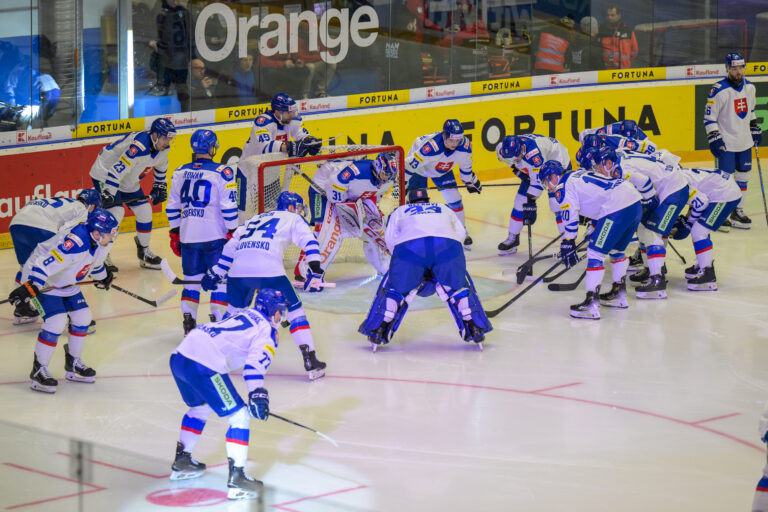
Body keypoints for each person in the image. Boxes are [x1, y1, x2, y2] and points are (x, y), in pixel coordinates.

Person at [168, 289, 288, 500]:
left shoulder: (243, 313)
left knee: (200, 408)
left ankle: (182, 462)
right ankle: (238, 480)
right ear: (271, 312)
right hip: (204, 365)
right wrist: (256, 394)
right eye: (279, 313)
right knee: (240, 416)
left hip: (180, 356)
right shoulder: (267, 331)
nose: (281, 317)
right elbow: (253, 368)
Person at [202, 191, 327, 380]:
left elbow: (230, 247)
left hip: (238, 271)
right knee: (296, 313)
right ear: (292, 207)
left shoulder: (255, 218)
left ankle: (219, 355)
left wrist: (217, 272)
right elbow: (309, 240)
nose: (300, 211)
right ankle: (310, 359)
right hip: (269, 269)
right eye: (299, 208)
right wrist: (316, 268)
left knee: (234, 313)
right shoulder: (293, 218)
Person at [359, 188, 491, 349]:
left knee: (393, 285)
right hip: (447, 246)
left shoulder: (400, 210)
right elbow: (461, 234)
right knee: (459, 284)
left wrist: (407, 262)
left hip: (411, 248)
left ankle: (379, 330)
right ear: (428, 201)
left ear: (409, 202)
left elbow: (390, 239)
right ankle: (475, 327)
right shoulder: (443, 207)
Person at [8, 208, 118, 393]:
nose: (113, 236)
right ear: (97, 232)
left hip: (66, 281)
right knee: (55, 321)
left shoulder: (101, 241)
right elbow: (46, 262)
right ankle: (39, 369)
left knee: (83, 317)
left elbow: (94, 263)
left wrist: (103, 275)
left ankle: (73, 363)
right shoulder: (75, 242)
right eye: (110, 233)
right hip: (45, 280)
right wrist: (32, 285)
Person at [541, 156, 642, 319]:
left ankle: (591, 303)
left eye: (546, 182)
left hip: (616, 208)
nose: (548, 187)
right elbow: (597, 197)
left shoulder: (562, 186)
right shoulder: (577, 174)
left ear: (553, 176)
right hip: (634, 202)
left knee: (595, 253)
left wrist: (568, 241)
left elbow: (570, 215)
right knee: (617, 251)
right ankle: (619, 294)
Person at [166, 129, 238, 334]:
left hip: (189, 236)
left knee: (191, 282)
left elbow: (172, 207)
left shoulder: (180, 171)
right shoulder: (223, 172)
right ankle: (217, 323)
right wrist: (233, 232)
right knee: (220, 280)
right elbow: (229, 207)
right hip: (215, 237)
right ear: (212, 147)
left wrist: (175, 233)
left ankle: (189, 324)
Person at [596, 147, 689, 299]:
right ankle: (650, 269)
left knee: (652, 231)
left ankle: (657, 279)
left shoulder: (621, 168)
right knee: (643, 228)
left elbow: (645, 183)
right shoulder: (617, 162)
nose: (598, 170)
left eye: (600, 166)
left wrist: (647, 204)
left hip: (674, 190)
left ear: (608, 163)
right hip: (667, 187)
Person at [89, 117, 176, 271]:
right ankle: (100, 256)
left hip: (127, 177)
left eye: (169, 139)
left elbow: (162, 165)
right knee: (116, 211)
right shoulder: (138, 147)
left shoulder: (163, 148)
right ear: (154, 135)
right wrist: (109, 192)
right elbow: (116, 170)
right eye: (164, 138)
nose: (167, 143)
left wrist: (160, 185)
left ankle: (144, 252)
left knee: (144, 210)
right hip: (106, 172)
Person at [295, 153, 397, 279]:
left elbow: (373, 194)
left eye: (390, 176)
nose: (387, 179)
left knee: (373, 229)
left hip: (346, 192)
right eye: (385, 175)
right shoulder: (355, 173)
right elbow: (334, 196)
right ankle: (303, 272)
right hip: (321, 189)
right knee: (322, 229)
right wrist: (349, 210)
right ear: (377, 168)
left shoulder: (387, 180)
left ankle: (384, 267)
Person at [8, 190, 102, 324]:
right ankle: (70, 312)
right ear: (92, 206)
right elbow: (67, 234)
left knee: (26, 267)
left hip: (16, 224)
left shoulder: (67, 202)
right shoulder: (83, 210)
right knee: (55, 268)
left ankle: (22, 307)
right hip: (40, 227)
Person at [237, 93, 322, 214]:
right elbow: (265, 146)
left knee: (273, 209)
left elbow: (300, 134)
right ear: (277, 112)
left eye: (293, 111)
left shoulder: (291, 119)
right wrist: (289, 147)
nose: (292, 115)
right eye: (289, 112)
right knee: (244, 212)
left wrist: (309, 140)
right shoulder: (262, 122)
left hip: (271, 173)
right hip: (249, 173)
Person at [704, 52, 760, 229]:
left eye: (740, 68)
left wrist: (754, 126)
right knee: (725, 180)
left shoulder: (750, 87)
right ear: (727, 68)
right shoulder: (718, 90)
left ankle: (738, 211)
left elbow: (750, 111)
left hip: (744, 141)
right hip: (726, 142)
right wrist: (714, 137)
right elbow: (709, 117)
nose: (738, 72)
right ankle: (719, 215)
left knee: (743, 176)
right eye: (734, 68)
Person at [405, 119, 481, 250]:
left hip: (442, 169)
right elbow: (409, 165)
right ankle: (414, 235)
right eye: (452, 140)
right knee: (418, 204)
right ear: (444, 135)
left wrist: (470, 181)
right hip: (419, 169)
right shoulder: (430, 148)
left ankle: (462, 231)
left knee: (455, 200)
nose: (455, 144)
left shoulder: (465, 147)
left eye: (457, 140)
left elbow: (465, 168)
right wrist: (404, 183)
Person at [495, 134, 571, 254]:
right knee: (520, 202)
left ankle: (567, 243)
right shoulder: (503, 150)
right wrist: (519, 172)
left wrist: (530, 203)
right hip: (535, 166)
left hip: (556, 160)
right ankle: (513, 238)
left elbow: (538, 184)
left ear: (522, 149)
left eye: (517, 157)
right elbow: (511, 163)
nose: (515, 159)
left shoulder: (534, 156)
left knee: (556, 204)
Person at [670, 167, 741, 291]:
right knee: (699, 227)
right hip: (722, 188)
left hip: (724, 194)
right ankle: (703, 265)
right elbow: (697, 202)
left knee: (699, 231)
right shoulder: (676, 176)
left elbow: (700, 203)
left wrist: (688, 223)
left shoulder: (677, 184)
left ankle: (708, 275)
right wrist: (689, 220)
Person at [148, 0, 194, 97]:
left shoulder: (163, 14)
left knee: (158, 56)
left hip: (173, 59)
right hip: (182, 58)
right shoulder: (184, 12)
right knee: (182, 89)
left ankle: (163, 86)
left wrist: (156, 45)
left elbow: (164, 41)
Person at [597, 5, 637, 69]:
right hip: (606, 72)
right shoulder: (600, 31)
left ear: (619, 16)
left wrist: (624, 61)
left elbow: (634, 52)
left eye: (612, 15)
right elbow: (596, 52)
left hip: (624, 72)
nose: (609, 17)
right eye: (608, 15)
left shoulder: (628, 32)